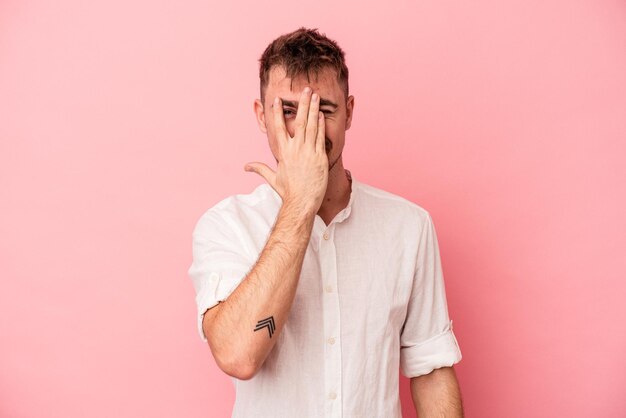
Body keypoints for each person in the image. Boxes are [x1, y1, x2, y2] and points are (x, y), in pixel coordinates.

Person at [188, 27, 464, 417]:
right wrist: (300, 204)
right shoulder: (226, 226)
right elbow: (238, 355)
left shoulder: (409, 227)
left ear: (349, 112)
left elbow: (431, 371)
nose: (306, 129)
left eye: (324, 111)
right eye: (287, 111)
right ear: (259, 116)